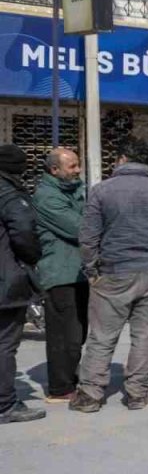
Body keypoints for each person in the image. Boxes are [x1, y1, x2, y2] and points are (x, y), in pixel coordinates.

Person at [71, 137, 148, 413]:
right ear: (146, 162)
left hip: (113, 272)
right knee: (145, 335)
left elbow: (88, 237)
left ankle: (91, 395)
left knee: (102, 336)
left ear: (120, 159)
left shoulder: (101, 191)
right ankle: (137, 394)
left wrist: (91, 269)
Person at [32, 148, 87, 403]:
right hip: (59, 273)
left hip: (79, 272)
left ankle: (69, 378)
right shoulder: (46, 197)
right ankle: (60, 387)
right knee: (64, 334)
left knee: (78, 332)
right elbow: (79, 227)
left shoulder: (75, 189)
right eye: (72, 166)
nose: (77, 170)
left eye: (77, 165)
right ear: (54, 170)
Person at [0, 144, 46, 423]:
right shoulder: (8, 193)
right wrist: (31, 258)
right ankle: (5, 404)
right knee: (5, 342)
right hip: (6, 278)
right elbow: (25, 231)